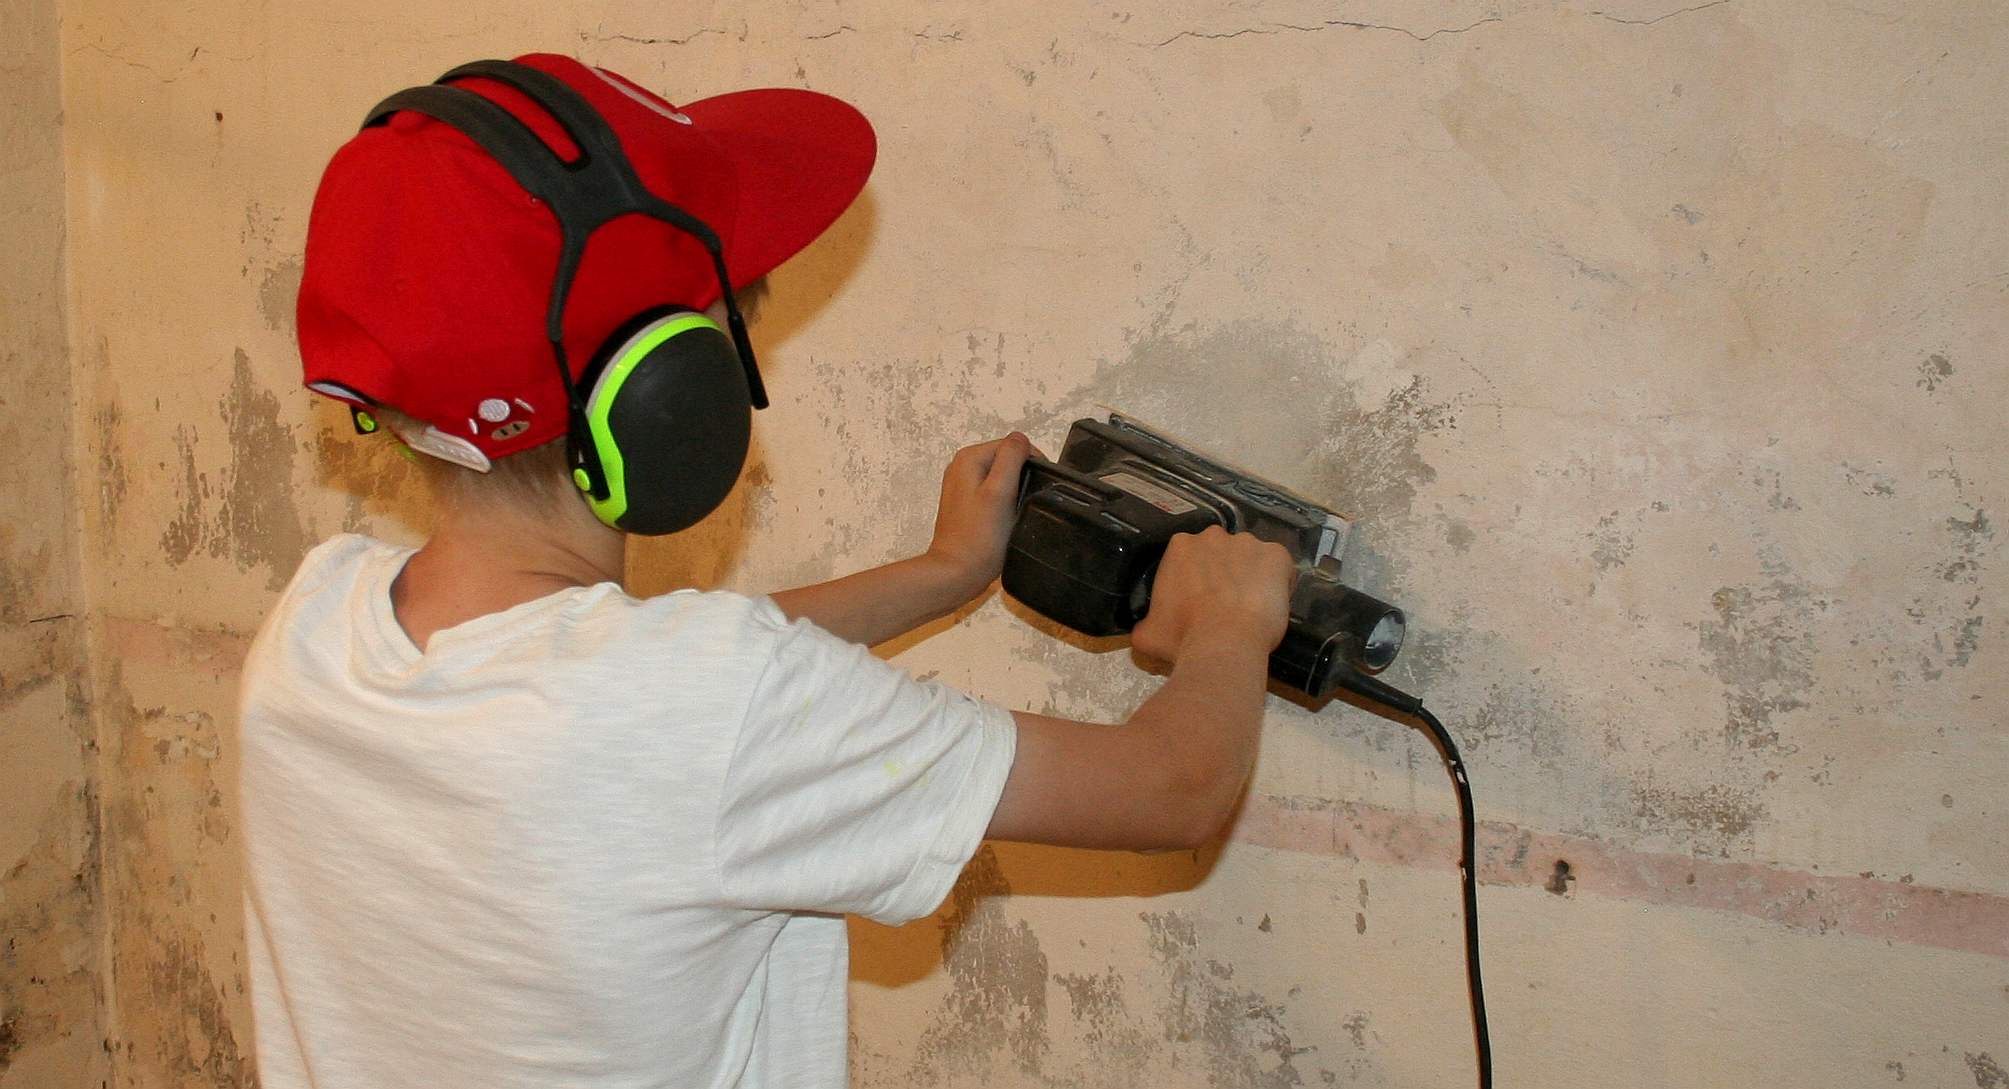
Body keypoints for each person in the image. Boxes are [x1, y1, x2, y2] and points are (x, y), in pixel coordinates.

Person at [238, 53, 1295, 1088]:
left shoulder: (312, 629)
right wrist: (1227, 626)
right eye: (734, 315)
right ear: (664, 391)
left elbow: (652, 690)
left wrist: (935, 573)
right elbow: (1176, 791)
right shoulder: (704, 706)